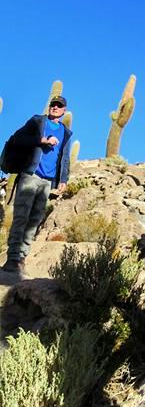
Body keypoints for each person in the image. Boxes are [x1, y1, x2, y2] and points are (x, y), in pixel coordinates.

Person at [1, 95, 73, 278]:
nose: (55, 107)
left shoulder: (66, 132)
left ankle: (22, 258)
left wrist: (63, 179)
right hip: (30, 175)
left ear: (64, 110)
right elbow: (17, 139)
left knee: (34, 220)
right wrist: (41, 140)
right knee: (21, 217)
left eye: (59, 106)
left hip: (47, 182)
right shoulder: (37, 122)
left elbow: (64, 158)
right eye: (53, 105)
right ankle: (12, 259)